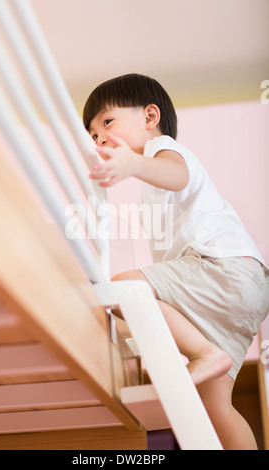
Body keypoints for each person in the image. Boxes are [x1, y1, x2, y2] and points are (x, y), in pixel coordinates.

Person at [83, 73, 269, 449]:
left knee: (121, 287)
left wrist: (132, 165)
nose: (101, 139)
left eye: (107, 122)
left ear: (150, 117)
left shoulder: (164, 150)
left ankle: (204, 353)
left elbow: (176, 174)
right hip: (237, 296)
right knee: (216, 410)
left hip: (224, 269)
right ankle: (209, 355)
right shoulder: (150, 177)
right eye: (93, 136)